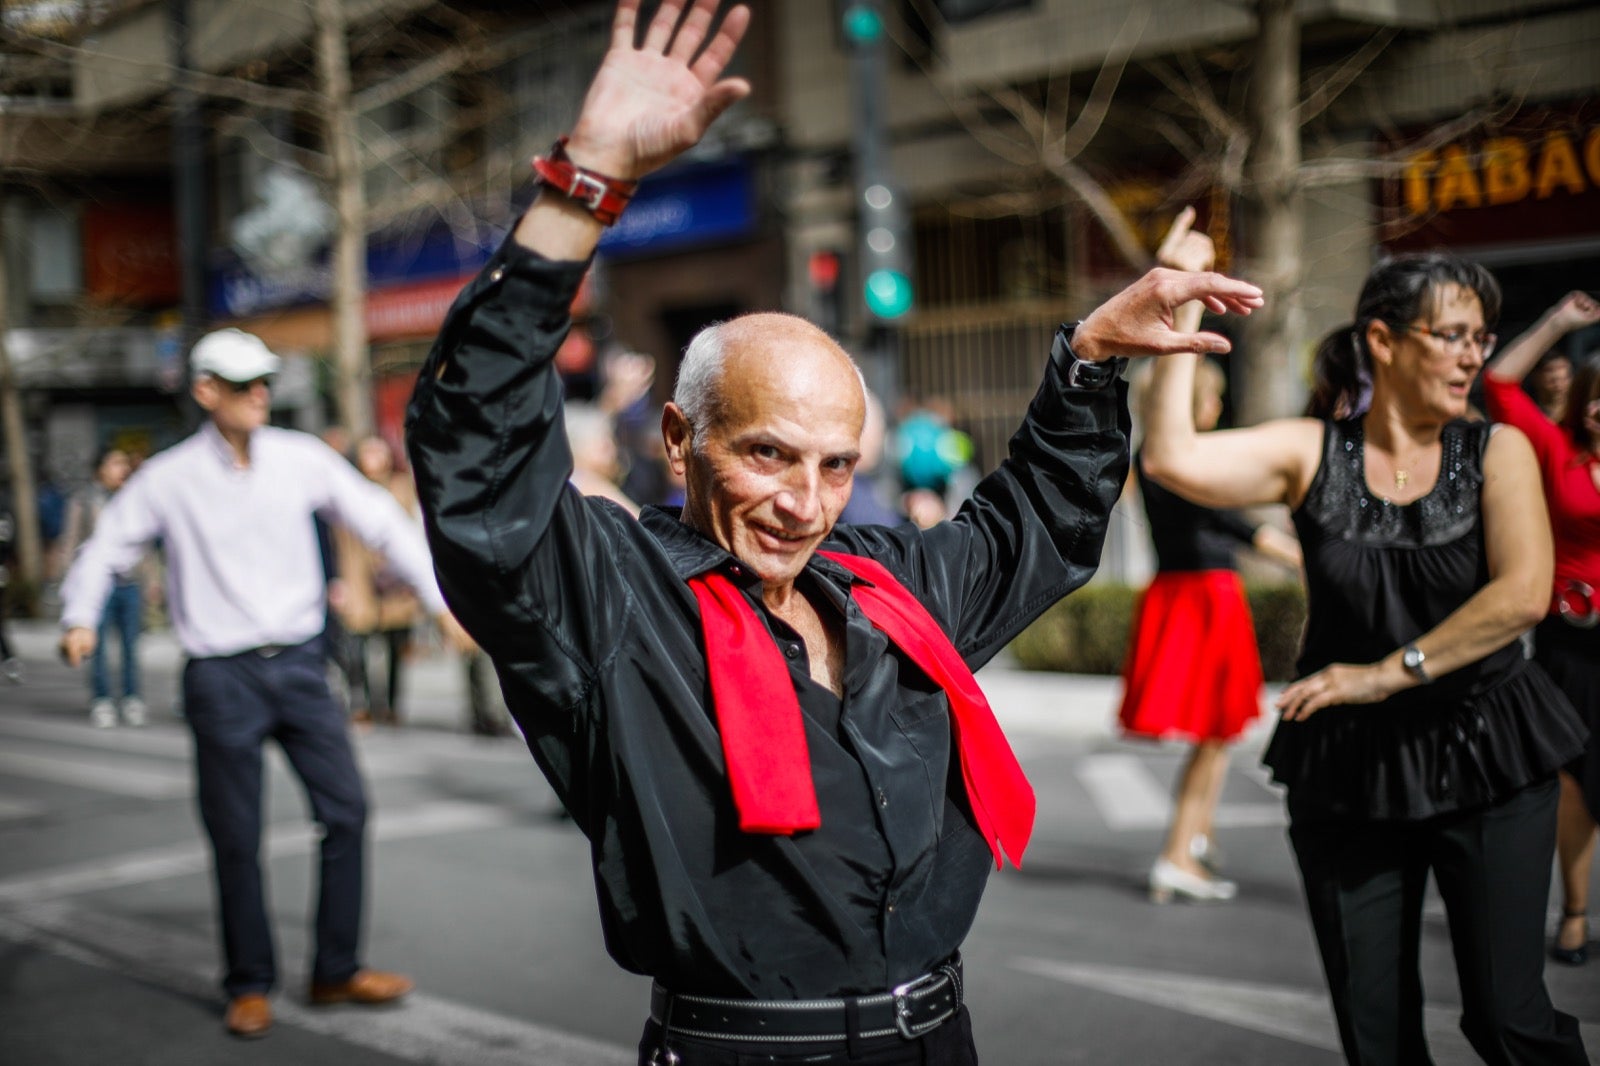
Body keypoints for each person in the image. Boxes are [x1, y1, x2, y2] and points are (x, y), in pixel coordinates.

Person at [405, 3, 1264, 1063]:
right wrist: (584, 182)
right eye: (765, 454)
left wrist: (1088, 360)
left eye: (834, 465)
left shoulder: (881, 585)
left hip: (936, 1037)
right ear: (681, 438)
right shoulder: (614, 602)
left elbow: (1033, 523)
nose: (802, 503)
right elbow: (476, 452)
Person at [1140, 214, 1589, 1064]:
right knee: (1375, 1038)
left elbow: (1524, 596)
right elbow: (1170, 459)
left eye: (1481, 339)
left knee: (1508, 1021)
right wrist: (1179, 300)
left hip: (1488, 749)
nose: (1472, 357)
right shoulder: (1312, 453)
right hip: (1348, 771)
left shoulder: (1499, 453)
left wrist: (1385, 673)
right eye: (1452, 336)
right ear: (1382, 341)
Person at [58, 327, 471, 1040]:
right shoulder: (169, 477)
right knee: (234, 835)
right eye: (241, 382)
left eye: (263, 382)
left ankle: (335, 968)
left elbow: (381, 521)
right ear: (204, 391)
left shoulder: (300, 458)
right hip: (222, 675)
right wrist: (78, 618)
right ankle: (249, 981)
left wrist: (441, 601)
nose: (258, 394)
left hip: (302, 667)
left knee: (346, 811)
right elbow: (106, 548)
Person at [1122, 216, 1303, 904]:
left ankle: (1190, 845)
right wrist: (1286, 549)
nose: (1220, 401)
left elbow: (1225, 522)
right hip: (1200, 597)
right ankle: (1178, 850)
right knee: (1214, 735)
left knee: (1216, 738)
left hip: (1186, 592)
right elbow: (1223, 521)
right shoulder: (1178, 458)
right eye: (1213, 393)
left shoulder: (1160, 458)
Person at [1481, 289, 1600, 968]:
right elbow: (1498, 382)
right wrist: (1559, 321)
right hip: (1569, 644)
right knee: (1573, 782)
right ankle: (1577, 913)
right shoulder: (1557, 454)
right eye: (1595, 396)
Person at [334, 435, 424, 726]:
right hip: (358, 577)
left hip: (395, 580)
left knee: (395, 644)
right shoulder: (347, 489)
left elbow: (413, 532)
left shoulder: (401, 489)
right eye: (368, 452)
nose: (373, 458)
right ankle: (362, 702)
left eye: (378, 452)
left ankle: (390, 704)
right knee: (358, 644)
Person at [61, 447, 150, 727]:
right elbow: (71, 543)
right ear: (101, 468)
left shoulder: (134, 500)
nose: (122, 468)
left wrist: (153, 580)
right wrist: (72, 588)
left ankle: (131, 698)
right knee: (96, 647)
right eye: (115, 463)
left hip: (130, 583)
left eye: (125, 462)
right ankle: (102, 700)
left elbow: (145, 545)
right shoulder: (85, 501)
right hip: (98, 586)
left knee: (130, 646)